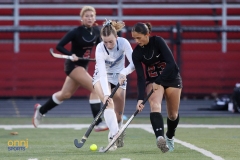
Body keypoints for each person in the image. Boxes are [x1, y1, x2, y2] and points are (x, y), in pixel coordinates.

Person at [32, 6, 108, 132]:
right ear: (82, 18)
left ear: (95, 18)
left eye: (92, 16)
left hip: (83, 66)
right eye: (87, 16)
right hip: (72, 66)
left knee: (65, 94)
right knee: (95, 88)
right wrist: (70, 54)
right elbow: (59, 46)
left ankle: (41, 110)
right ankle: (98, 122)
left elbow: (100, 47)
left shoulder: (96, 31)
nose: (89, 18)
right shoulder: (76, 31)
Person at [131, 22, 182, 153]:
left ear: (147, 34)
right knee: (155, 105)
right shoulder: (136, 53)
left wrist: (159, 80)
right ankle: (160, 137)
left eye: (138, 37)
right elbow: (141, 77)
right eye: (134, 38)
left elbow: (171, 63)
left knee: (173, 114)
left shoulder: (158, 41)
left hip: (171, 78)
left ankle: (169, 136)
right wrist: (140, 99)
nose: (136, 41)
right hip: (153, 80)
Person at [92, 19, 135, 151]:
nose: (108, 44)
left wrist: (124, 72)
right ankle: (114, 137)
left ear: (117, 37)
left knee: (119, 115)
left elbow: (134, 63)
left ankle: (117, 131)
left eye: (111, 41)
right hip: (101, 77)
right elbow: (103, 74)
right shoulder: (100, 48)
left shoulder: (123, 43)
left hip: (119, 76)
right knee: (108, 104)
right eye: (105, 41)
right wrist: (106, 94)